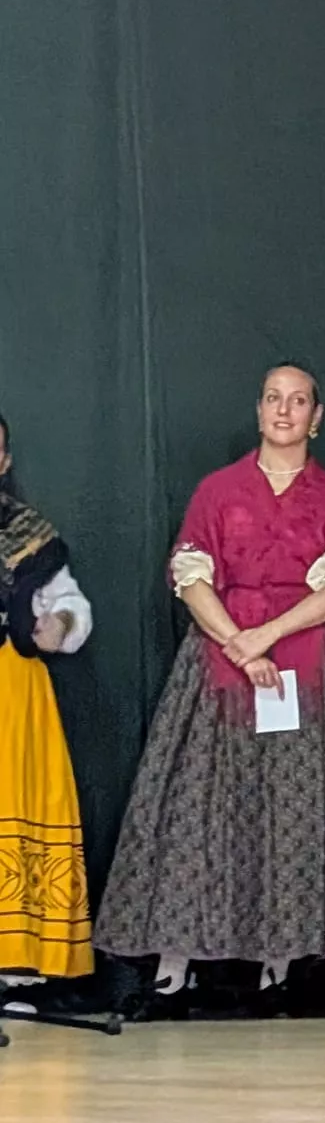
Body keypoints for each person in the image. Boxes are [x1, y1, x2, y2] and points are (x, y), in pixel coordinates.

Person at [97, 365, 325, 1002]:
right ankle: (177, 953)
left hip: (310, 662)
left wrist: (265, 639)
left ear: (316, 418)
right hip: (220, 662)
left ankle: (283, 952)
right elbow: (190, 574)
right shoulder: (219, 490)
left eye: (297, 402)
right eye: (273, 399)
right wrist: (237, 643)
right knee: (197, 809)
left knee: (299, 807)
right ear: (259, 410)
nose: (284, 411)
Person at [0, 412, 95, 984]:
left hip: (14, 688)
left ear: (5, 462)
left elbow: (72, 604)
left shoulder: (29, 534)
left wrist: (60, 623)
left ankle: (13, 973)